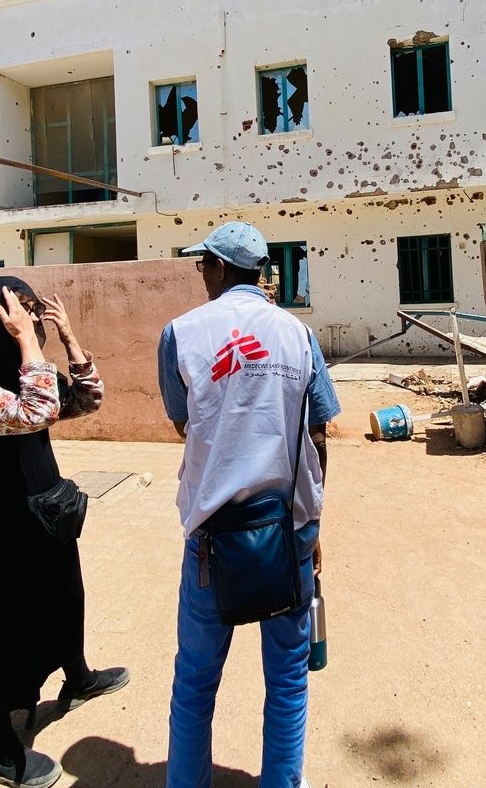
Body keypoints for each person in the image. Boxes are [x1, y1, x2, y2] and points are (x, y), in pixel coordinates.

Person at [157, 222, 340, 788]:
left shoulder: (180, 334)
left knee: (195, 681)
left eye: (200, 265)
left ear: (216, 267)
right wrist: (313, 526)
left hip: (214, 535)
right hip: (287, 530)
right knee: (287, 680)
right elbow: (320, 436)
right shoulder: (297, 334)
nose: (200, 275)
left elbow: (186, 424)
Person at [0, 276, 128, 788]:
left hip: (47, 512)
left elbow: (86, 401)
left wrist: (68, 340)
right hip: (1, 528)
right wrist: (30, 345)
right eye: (18, 315)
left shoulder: (21, 369)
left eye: (33, 314)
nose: (29, 322)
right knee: (0, 633)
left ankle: (76, 677)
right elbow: (37, 410)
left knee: (65, 596)